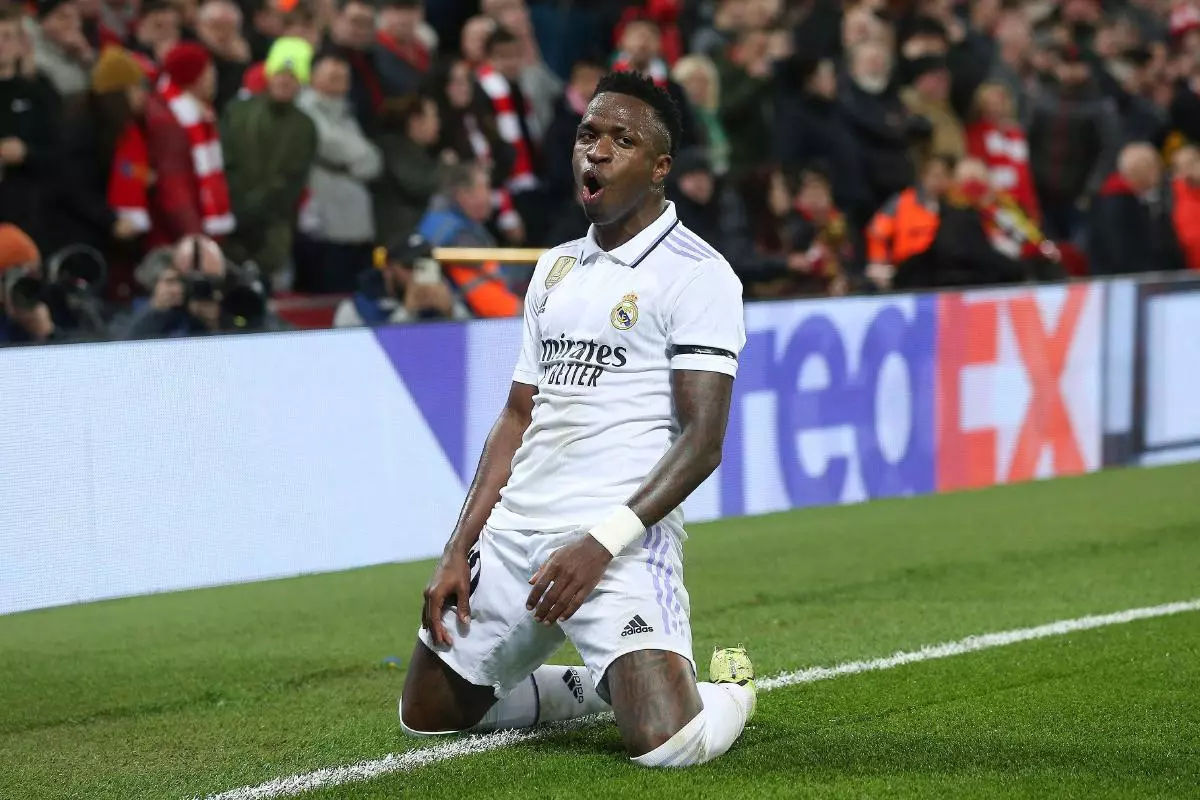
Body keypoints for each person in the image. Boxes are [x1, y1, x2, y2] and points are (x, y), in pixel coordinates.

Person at [399, 71, 756, 769]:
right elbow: (516, 416)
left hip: (615, 538)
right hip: (515, 535)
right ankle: (601, 686)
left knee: (669, 745)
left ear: (660, 168)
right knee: (428, 716)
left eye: (622, 140)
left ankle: (730, 692)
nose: (597, 150)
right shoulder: (555, 268)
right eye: (588, 134)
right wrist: (458, 546)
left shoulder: (698, 273)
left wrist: (601, 543)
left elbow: (703, 441)